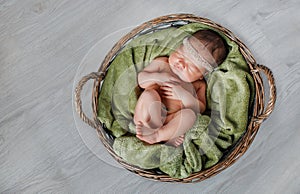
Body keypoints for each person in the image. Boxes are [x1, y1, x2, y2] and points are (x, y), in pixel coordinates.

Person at [133, 29, 227, 147]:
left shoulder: (199, 85)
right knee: (149, 94)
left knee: (189, 115)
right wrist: (157, 77)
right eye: (180, 54)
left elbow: (200, 108)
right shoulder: (162, 63)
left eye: (191, 67)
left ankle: (160, 135)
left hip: (171, 121)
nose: (181, 64)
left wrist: (184, 96)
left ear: (202, 75)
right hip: (148, 116)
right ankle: (152, 127)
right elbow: (141, 80)